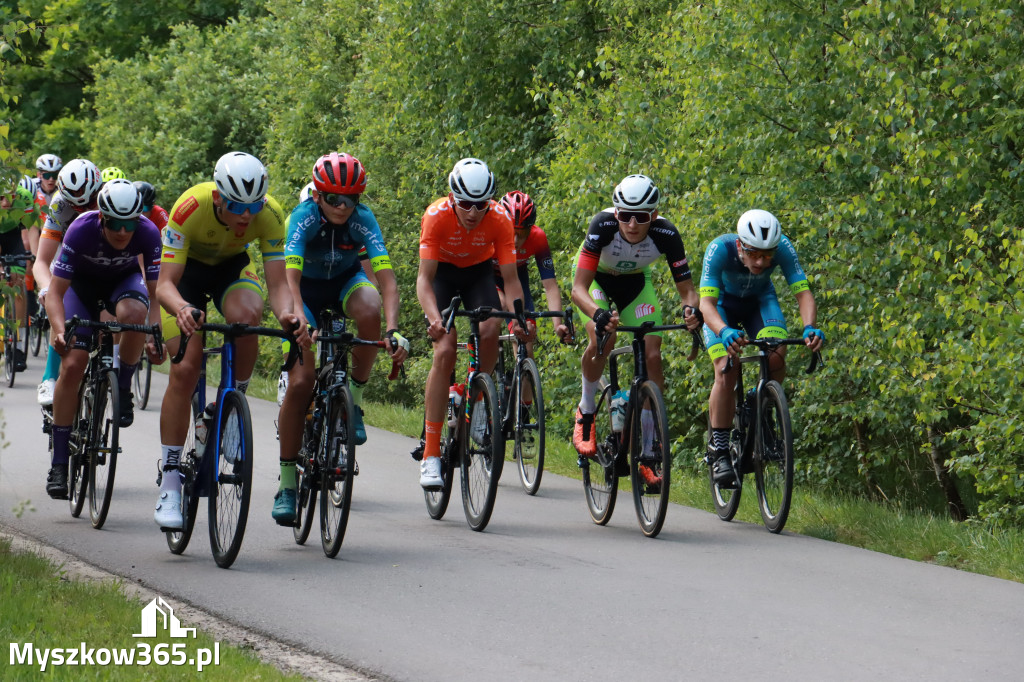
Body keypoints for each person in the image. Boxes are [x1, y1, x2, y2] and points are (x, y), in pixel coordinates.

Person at [153, 151, 308, 529]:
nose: (245, 215)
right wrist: (181, 310)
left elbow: (277, 285)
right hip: (185, 277)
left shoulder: (269, 215)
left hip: (229, 270)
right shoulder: (190, 206)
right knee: (186, 369)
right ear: (219, 196)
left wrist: (290, 314)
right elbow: (165, 285)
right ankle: (170, 482)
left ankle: (231, 407)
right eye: (238, 205)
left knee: (248, 318)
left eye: (253, 205)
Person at [272, 152, 409, 523]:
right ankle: (286, 484)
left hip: (345, 283)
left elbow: (388, 280)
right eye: (334, 198)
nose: (342, 207)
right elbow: (290, 278)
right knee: (301, 383)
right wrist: (299, 318)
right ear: (318, 196)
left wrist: (393, 329)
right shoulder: (302, 218)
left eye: (350, 200)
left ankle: (356, 400)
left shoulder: (363, 220)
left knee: (370, 306)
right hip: (306, 294)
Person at [569, 174, 702, 476]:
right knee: (602, 337)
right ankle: (586, 411)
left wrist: (691, 311)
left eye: (640, 217)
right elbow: (578, 290)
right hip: (596, 283)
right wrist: (598, 314)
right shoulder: (601, 226)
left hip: (636, 285)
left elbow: (688, 292)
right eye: (625, 216)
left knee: (653, 356)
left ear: (653, 215)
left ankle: (648, 450)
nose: (631, 224)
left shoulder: (667, 234)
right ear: (616, 212)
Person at [42, 180, 162, 498]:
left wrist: (156, 332)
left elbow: (155, 291)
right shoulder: (81, 229)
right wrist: (57, 331)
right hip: (81, 287)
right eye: (115, 223)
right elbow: (55, 292)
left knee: (135, 317)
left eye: (130, 223)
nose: (123, 232)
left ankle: (122, 387)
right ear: (101, 217)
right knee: (73, 364)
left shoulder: (149, 232)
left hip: (122, 282)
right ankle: (58, 463)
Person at [415, 157, 529, 488]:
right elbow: (424, 280)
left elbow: (510, 279)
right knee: (445, 350)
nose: (473, 212)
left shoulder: (499, 219)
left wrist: (518, 317)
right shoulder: (435, 217)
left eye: (480, 204)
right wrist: (435, 320)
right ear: (452, 197)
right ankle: (431, 455)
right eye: (465, 203)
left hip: (478, 275)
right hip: (443, 277)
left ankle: (476, 397)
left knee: (492, 325)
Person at [699, 209, 824, 486]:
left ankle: (761, 407)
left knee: (777, 355)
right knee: (726, 368)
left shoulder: (784, 248)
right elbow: (705, 304)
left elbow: (803, 293)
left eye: (767, 256)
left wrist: (809, 327)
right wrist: (723, 330)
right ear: (741, 246)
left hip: (760, 303)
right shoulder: (719, 248)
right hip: (721, 309)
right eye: (754, 253)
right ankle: (719, 450)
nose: (761, 261)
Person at [33, 159, 104, 406]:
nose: (83, 209)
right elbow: (41, 261)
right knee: (57, 299)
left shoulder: (109, 197)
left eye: (90, 203)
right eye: (76, 204)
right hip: (69, 258)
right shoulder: (59, 204)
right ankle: (50, 377)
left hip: (104, 259)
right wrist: (46, 288)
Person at [493, 191, 570, 354]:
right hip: (489, 275)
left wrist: (557, 325)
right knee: (500, 303)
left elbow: (550, 286)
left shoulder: (538, 238)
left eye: (521, 235)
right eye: (510, 231)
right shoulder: (490, 235)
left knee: (526, 339)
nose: (514, 240)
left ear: (531, 229)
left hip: (517, 277)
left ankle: (523, 374)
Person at [0, 179, 42, 371]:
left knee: (17, 285)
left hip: (14, 238)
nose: (5, 203)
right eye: (1, 198)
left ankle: (18, 346)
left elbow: (31, 231)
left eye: (10, 197)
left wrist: (35, 259)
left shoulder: (25, 199)